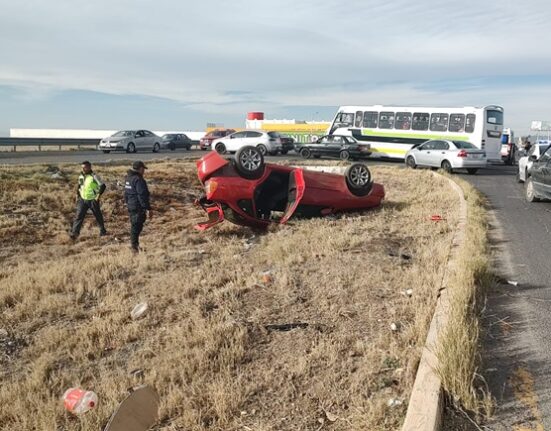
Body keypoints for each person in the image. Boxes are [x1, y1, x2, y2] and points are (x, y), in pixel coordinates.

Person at [70, 161, 107, 239]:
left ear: (89, 167)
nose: (82, 169)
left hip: (92, 199)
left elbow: (103, 186)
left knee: (97, 215)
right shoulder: (81, 176)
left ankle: (102, 231)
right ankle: (75, 233)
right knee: (79, 216)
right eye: (82, 167)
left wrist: (98, 196)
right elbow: (80, 185)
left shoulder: (94, 176)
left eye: (84, 167)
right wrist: (77, 194)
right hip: (83, 199)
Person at [124, 160, 152, 252]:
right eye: (143, 169)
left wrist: (127, 203)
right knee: (137, 226)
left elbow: (126, 193)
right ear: (140, 169)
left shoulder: (128, 178)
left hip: (131, 205)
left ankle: (135, 245)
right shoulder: (138, 180)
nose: (144, 171)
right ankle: (134, 247)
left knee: (134, 225)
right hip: (138, 206)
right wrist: (147, 208)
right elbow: (142, 194)